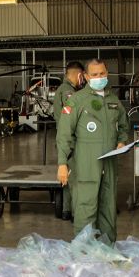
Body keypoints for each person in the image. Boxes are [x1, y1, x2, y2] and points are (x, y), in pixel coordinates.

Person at [57, 58, 128, 244]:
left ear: (107, 74)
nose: (99, 77)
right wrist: (62, 164)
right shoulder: (77, 101)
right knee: (85, 208)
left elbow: (123, 125)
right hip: (86, 165)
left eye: (102, 74)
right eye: (95, 75)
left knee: (108, 208)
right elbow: (64, 134)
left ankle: (107, 249)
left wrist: (122, 141)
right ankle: (83, 252)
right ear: (86, 77)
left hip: (109, 163)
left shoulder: (113, 100)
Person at [53, 61, 85, 221]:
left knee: (67, 175)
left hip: (65, 139)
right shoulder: (68, 92)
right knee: (74, 177)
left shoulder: (63, 89)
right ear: (79, 75)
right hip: (70, 141)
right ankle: (73, 212)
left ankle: (66, 210)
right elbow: (71, 119)